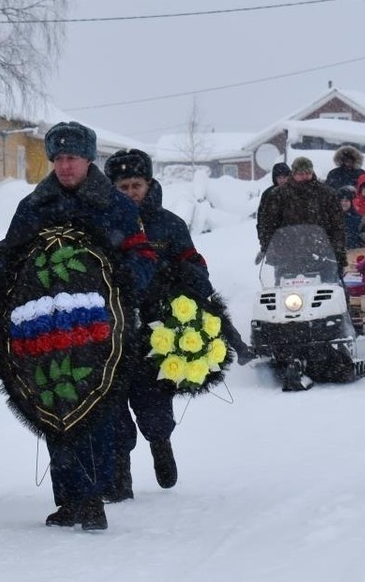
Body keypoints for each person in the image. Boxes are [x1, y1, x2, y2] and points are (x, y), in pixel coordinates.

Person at [1, 121, 156, 532]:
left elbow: (141, 257)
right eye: (59, 158)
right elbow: (10, 258)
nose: (66, 166)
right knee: (54, 402)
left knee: (95, 408)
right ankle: (68, 496)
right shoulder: (33, 206)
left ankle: (92, 496)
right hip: (46, 329)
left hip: (101, 329)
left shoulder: (116, 206)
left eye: (73, 158)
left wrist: (121, 283)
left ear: (89, 159)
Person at [103, 148, 253, 503]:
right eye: (122, 186)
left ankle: (160, 443)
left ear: (149, 184)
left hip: (160, 326)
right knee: (112, 402)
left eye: (136, 184)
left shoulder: (168, 224)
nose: (130, 192)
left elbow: (193, 261)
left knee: (153, 398)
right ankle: (119, 473)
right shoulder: (102, 222)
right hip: (113, 325)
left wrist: (189, 280)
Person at [257, 156, 347, 272]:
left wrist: (339, 253)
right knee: (286, 289)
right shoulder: (278, 195)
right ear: (293, 174)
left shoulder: (327, 193)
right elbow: (267, 224)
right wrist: (268, 247)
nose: (305, 177)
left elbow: (337, 225)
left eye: (307, 173)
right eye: (300, 174)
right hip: (287, 255)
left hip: (322, 254)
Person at [254, 162, 290, 264]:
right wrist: (264, 245)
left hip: (295, 240)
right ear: (275, 178)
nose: (282, 180)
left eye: (285, 177)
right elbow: (262, 221)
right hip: (275, 241)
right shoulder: (268, 194)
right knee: (279, 272)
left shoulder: (295, 192)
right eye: (279, 177)